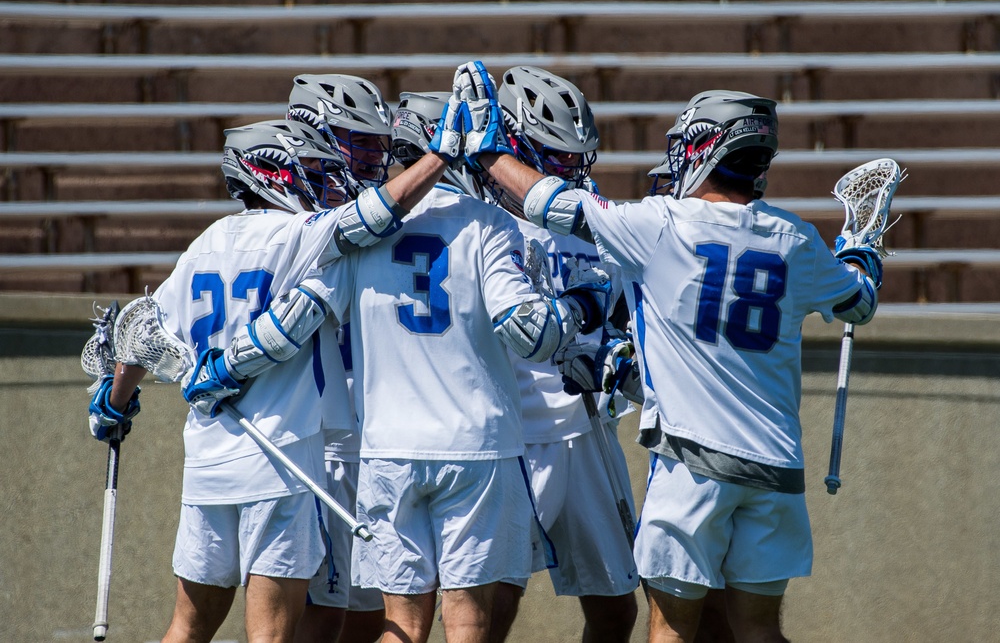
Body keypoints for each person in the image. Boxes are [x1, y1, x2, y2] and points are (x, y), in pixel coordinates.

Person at [461, 83, 883, 643]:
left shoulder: (660, 225)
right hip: (776, 467)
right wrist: (860, 249)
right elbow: (860, 299)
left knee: (671, 630)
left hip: (693, 463)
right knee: (757, 629)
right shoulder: (796, 240)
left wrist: (488, 152)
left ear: (706, 148)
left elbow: (546, 202)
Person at [86, 118, 441, 643]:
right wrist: (441, 159)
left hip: (206, 465)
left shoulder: (204, 243)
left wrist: (112, 403)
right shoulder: (298, 235)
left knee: (186, 627)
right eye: (313, 170)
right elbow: (377, 211)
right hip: (279, 463)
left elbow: (138, 333)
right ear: (273, 171)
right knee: (270, 636)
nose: (323, 182)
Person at [300, 62, 613, 643]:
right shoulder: (489, 222)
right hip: (478, 446)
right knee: (467, 619)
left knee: (399, 623)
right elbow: (530, 334)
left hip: (386, 447)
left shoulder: (357, 230)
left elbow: (296, 323)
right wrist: (580, 308)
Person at [482, 66, 639, 643]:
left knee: (617, 607)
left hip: (586, 430)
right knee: (495, 604)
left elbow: (624, 314)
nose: (573, 170)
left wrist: (616, 357)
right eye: (556, 154)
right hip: (514, 434)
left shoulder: (593, 218)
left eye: (579, 158)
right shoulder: (485, 222)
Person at [285, 74, 393, 643]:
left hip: (370, 434)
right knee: (320, 612)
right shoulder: (298, 224)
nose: (374, 156)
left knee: (371, 610)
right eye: (359, 140)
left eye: (379, 143)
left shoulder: (372, 214)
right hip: (320, 436)